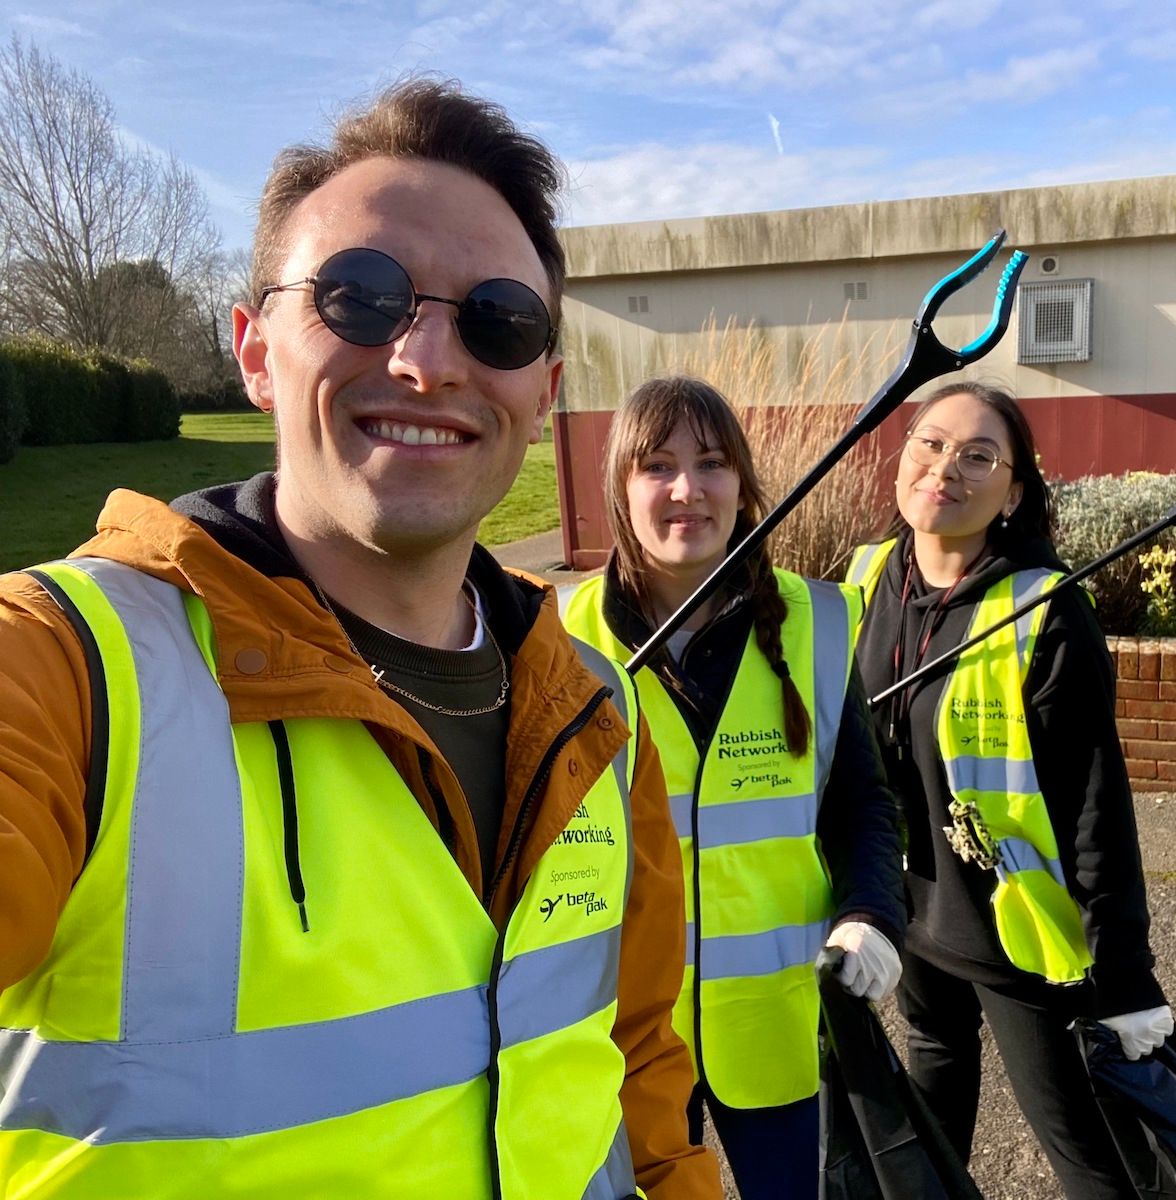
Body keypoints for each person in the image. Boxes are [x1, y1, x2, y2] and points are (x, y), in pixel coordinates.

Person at [0, 80, 719, 1199]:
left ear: (544, 390)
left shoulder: (589, 715)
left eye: (498, 320)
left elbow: (639, 1068)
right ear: (252, 347)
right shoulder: (60, 668)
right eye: (364, 296)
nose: (429, 359)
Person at [558, 376, 906, 1200]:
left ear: (744, 487)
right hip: (623, 1037)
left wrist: (872, 914)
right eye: (658, 466)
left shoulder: (817, 623)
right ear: (621, 489)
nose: (687, 490)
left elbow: (863, 802)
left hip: (774, 1027)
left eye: (712, 463)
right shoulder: (562, 641)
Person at [847, 382, 1175, 1199]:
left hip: (1017, 934)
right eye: (929, 443)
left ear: (1015, 491)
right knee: (932, 1126)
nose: (945, 468)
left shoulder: (1045, 611)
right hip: (911, 917)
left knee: (1086, 1151)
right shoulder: (869, 577)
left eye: (978, 456)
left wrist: (1126, 975)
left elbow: (1097, 804)